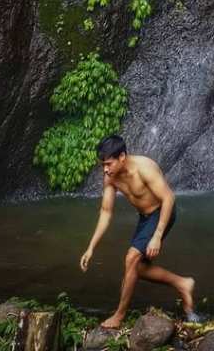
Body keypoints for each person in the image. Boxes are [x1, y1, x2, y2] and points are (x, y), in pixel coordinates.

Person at [79, 135, 198, 329]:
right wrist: (91, 247)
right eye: (103, 165)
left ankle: (119, 316)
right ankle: (183, 283)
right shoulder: (111, 177)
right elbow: (106, 212)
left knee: (131, 258)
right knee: (138, 268)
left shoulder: (144, 168)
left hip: (162, 212)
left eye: (109, 164)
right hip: (145, 218)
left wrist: (157, 236)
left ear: (122, 157)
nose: (105, 169)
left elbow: (169, 198)